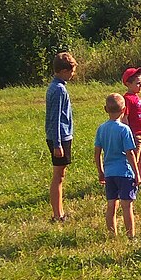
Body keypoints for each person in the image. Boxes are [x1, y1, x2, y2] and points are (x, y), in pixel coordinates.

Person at [94, 93, 141, 238]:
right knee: (127, 206)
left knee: (111, 205)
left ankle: (112, 235)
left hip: (109, 173)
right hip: (125, 173)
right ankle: (131, 236)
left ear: (105, 109)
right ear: (124, 110)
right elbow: (130, 153)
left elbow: (97, 153)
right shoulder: (124, 129)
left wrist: (100, 171)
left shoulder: (101, 129)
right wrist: (137, 172)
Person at [45, 51, 77, 223]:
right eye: (71, 71)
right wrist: (57, 144)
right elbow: (56, 118)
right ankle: (58, 215)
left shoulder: (55, 87)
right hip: (60, 138)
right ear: (64, 71)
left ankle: (60, 212)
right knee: (59, 176)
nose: (73, 75)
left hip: (60, 137)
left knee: (60, 175)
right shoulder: (59, 90)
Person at [122, 66, 141, 183]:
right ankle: (131, 179)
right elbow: (125, 117)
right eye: (137, 83)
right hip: (135, 134)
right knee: (134, 158)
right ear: (128, 84)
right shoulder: (127, 98)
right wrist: (128, 133)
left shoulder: (136, 97)